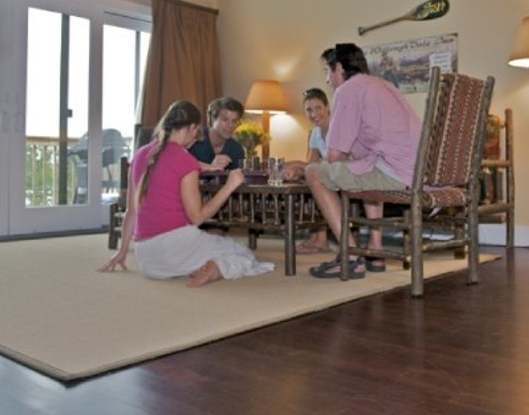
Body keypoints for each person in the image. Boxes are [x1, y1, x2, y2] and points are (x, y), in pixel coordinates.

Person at [99, 100, 274, 287]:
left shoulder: (140, 155)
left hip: (147, 261)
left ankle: (195, 266)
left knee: (212, 246)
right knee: (244, 254)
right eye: (196, 131)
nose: (196, 137)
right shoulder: (184, 160)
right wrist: (229, 186)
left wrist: (122, 251)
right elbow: (197, 217)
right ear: (191, 127)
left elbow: (131, 212)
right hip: (174, 248)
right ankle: (213, 270)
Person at [305, 43, 421, 279]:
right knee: (363, 167)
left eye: (328, 72)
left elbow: (334, 156)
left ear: (338, 68)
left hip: (396, 173)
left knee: (313, 172)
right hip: (417, 171)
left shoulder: (348, 90)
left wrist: (303, 165)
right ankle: (375, 250)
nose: (328, 80)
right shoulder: (384, 85)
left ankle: (350, 255)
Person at [283, 85, 333, 254]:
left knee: (312, 181)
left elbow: (335, 163)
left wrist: (297, 164)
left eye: (318, 108)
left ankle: (320, 239)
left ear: (327, 107)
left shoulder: (338, 127)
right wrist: (295, 170)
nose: (314, 114)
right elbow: (311, 163)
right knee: (305, 183)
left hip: (346, 174)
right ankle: (318, 238)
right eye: (309, 110)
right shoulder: (315, 133)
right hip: (328, 175)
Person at [189, 96, 245, 171]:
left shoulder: (236, 149)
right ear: (212, 119)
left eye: (234, 121)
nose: (230, 125)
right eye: (225, 120)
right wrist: (210, 167)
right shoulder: (193, 140)